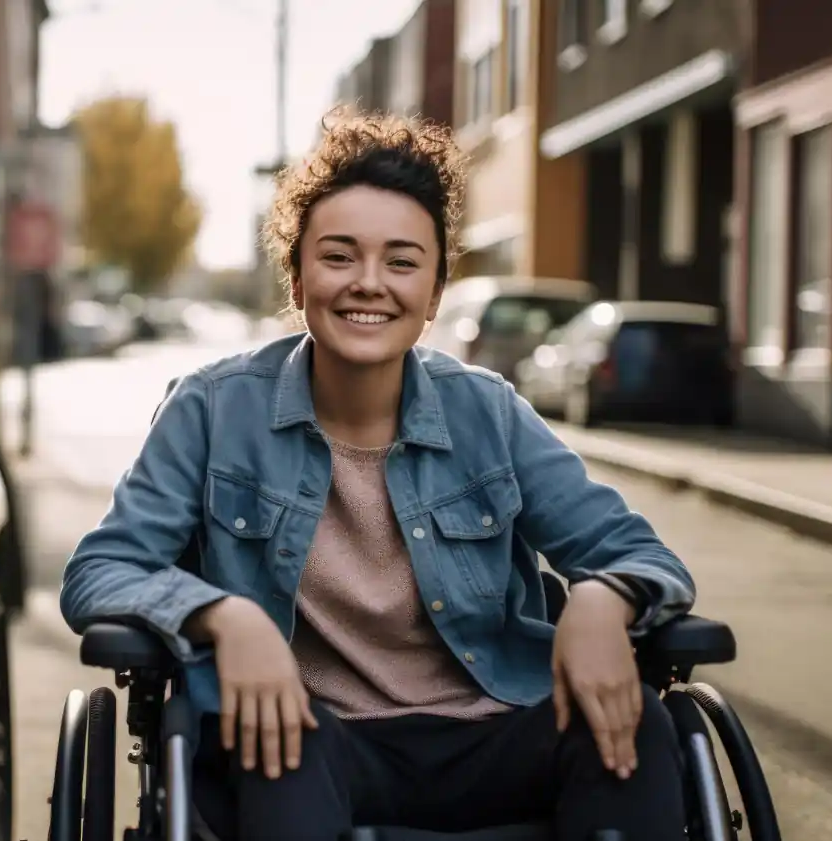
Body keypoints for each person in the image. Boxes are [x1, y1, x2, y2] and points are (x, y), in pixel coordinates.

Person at [60, 109, 695, 841]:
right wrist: (222, 616)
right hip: (310, 735)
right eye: (338, 257)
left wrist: (603, 599)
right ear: (297, 279)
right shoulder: (210, 409)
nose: (369, 284)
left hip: (494, 727)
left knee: (636, 725)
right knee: (274, 749)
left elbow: (646, 559)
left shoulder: (488, 413)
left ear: (433, 293)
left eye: (401, 261)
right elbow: (100, 571)